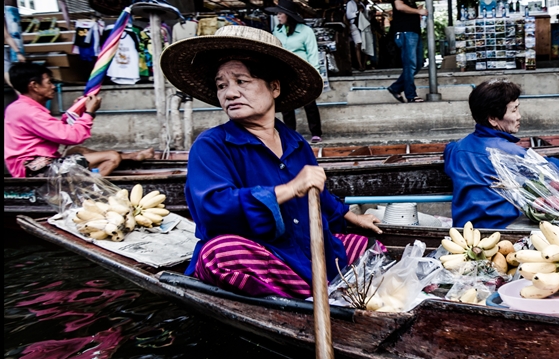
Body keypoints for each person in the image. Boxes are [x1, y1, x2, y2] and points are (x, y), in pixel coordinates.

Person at [159, 26, 383, 299]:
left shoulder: (296, 143)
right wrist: (289, 189)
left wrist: (353, 217)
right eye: (222, 85)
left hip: (305, 249)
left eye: (241, 81)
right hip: (263, 254)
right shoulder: (210, 145)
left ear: (274, 87)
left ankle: (317, 289)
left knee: (370, 247)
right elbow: (213, 208)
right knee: (218, 255)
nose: (229, 94)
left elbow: (318, 194)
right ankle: (321, 292)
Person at [443, 79, 559, 229]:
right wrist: (550, 161)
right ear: (493, 119)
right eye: (514, 110)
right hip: (504, 231)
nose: (519, 116)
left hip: (464, 232)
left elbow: (449, 148)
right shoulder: (512, 153)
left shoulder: (456, 149)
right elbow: (556, 173)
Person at [4, 62, 154, 178]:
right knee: (111, 157)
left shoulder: (24, 108)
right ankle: (88, 193)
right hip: (33, 168)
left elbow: (59, 130)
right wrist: (89, 113)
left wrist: (78, 110)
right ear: (34, 86)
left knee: (78, 151)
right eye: (49, 82)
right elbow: (71, 136)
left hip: (44, 161)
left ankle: (132, 156)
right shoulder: (26, 111)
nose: (53, 86)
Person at [266, 0, 324, 144]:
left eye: (280, 13)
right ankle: (290, 133)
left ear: (288, 15)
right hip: (284, 72)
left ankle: (316, 132)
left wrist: (315, 75)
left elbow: (312, 53)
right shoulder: (277, 31)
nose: (278, 16)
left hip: (303, 72)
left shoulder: (306, 31)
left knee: (309, 102)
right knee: (286, 104)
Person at [386, 0, 428, 103]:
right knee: (410, 64)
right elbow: (398, 6)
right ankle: (411, 95)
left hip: (412, 31)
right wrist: (418, 11)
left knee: (417, 64)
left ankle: (396, 88)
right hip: (405, 31)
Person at [345, 0, 365, 72]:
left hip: (362, 26)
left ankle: (362, 64)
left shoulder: (361, 4)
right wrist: (357, 12)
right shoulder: (350, 3)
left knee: (363, 46)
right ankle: (359, 64)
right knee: (358, 45)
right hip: (354, 26)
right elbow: (349, 15)